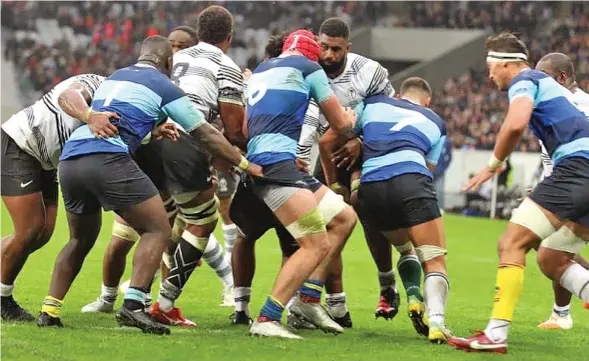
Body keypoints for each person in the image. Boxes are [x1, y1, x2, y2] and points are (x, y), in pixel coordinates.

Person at [36, 35, 261, 335]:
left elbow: (93, 107)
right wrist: (244, 163)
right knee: (158, 229)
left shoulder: (115, 76)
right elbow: (205, 133)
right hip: (107, 159)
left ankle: (49, 310)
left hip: (71, 161)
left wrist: (150, 131)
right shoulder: (163, 85)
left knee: (79, 240)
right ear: (168, 63)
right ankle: (134, 306)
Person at [449, 32, 589, 354]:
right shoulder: (555, 87)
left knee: (510, 243)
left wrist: (492, 165)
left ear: (508, 64)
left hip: (576, 170)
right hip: (583, 172)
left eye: (491, 67)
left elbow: (514, 124)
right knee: (552, 259)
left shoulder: (525, 79)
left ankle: (496, 334)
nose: (489, 75)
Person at [230, 32, 356, 334]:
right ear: (312, 55)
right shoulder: (309, 68)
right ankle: (268, 318)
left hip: (271, 161)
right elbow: (340, 124)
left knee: (344, 218)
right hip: (276, 166)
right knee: (315, 243)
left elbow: (247, 129)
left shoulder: (260, 71)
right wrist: (350, 119)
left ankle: (307, 301)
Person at [313, 17, 426, 334]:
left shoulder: (370, 72)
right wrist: (332, 180)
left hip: (366, 150)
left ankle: (388, 283)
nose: (329, 55)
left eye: (336, 49)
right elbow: (320, 137)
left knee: (368, 209)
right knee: (324, 225)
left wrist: (360, 142)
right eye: (324, 46)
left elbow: (385, 114)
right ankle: (335, 306)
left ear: (348, 47)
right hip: (323, 154)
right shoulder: (309, 68)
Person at [149, 6, 248, 325]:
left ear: (199, 31)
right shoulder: (226, 65)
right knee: (203, 221)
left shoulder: (176, 57)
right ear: (228, 38)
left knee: (161, 226)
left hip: (149, 137)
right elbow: (234, 129)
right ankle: (163, 304)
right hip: (183, 138)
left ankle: (137, 297)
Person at [1, 73, 112, 321]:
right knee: (30, 229)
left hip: (46, 161)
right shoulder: (97, 83)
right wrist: (89, 116)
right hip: (19, 143)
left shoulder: (116, 99)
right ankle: (3, 300)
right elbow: (68, 96)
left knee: (42, 234)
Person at [351, 78, 452, 344]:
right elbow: (428, 171)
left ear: (398, 95)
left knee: (405, 248)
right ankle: (438, 324)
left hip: (371, 187)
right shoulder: (436, 122)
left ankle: (413, 295)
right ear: (427, 102)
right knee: (433, 258)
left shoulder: (372, 104)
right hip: (410, 179)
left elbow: (349, 137)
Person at [533, 52, 589, 330]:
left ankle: (562, 313)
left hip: (575, 189)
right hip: (568, 187)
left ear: (562, 78)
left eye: (542, 78)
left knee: (549, 249)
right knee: (553, 249)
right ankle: (561, 313)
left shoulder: (569, 106)